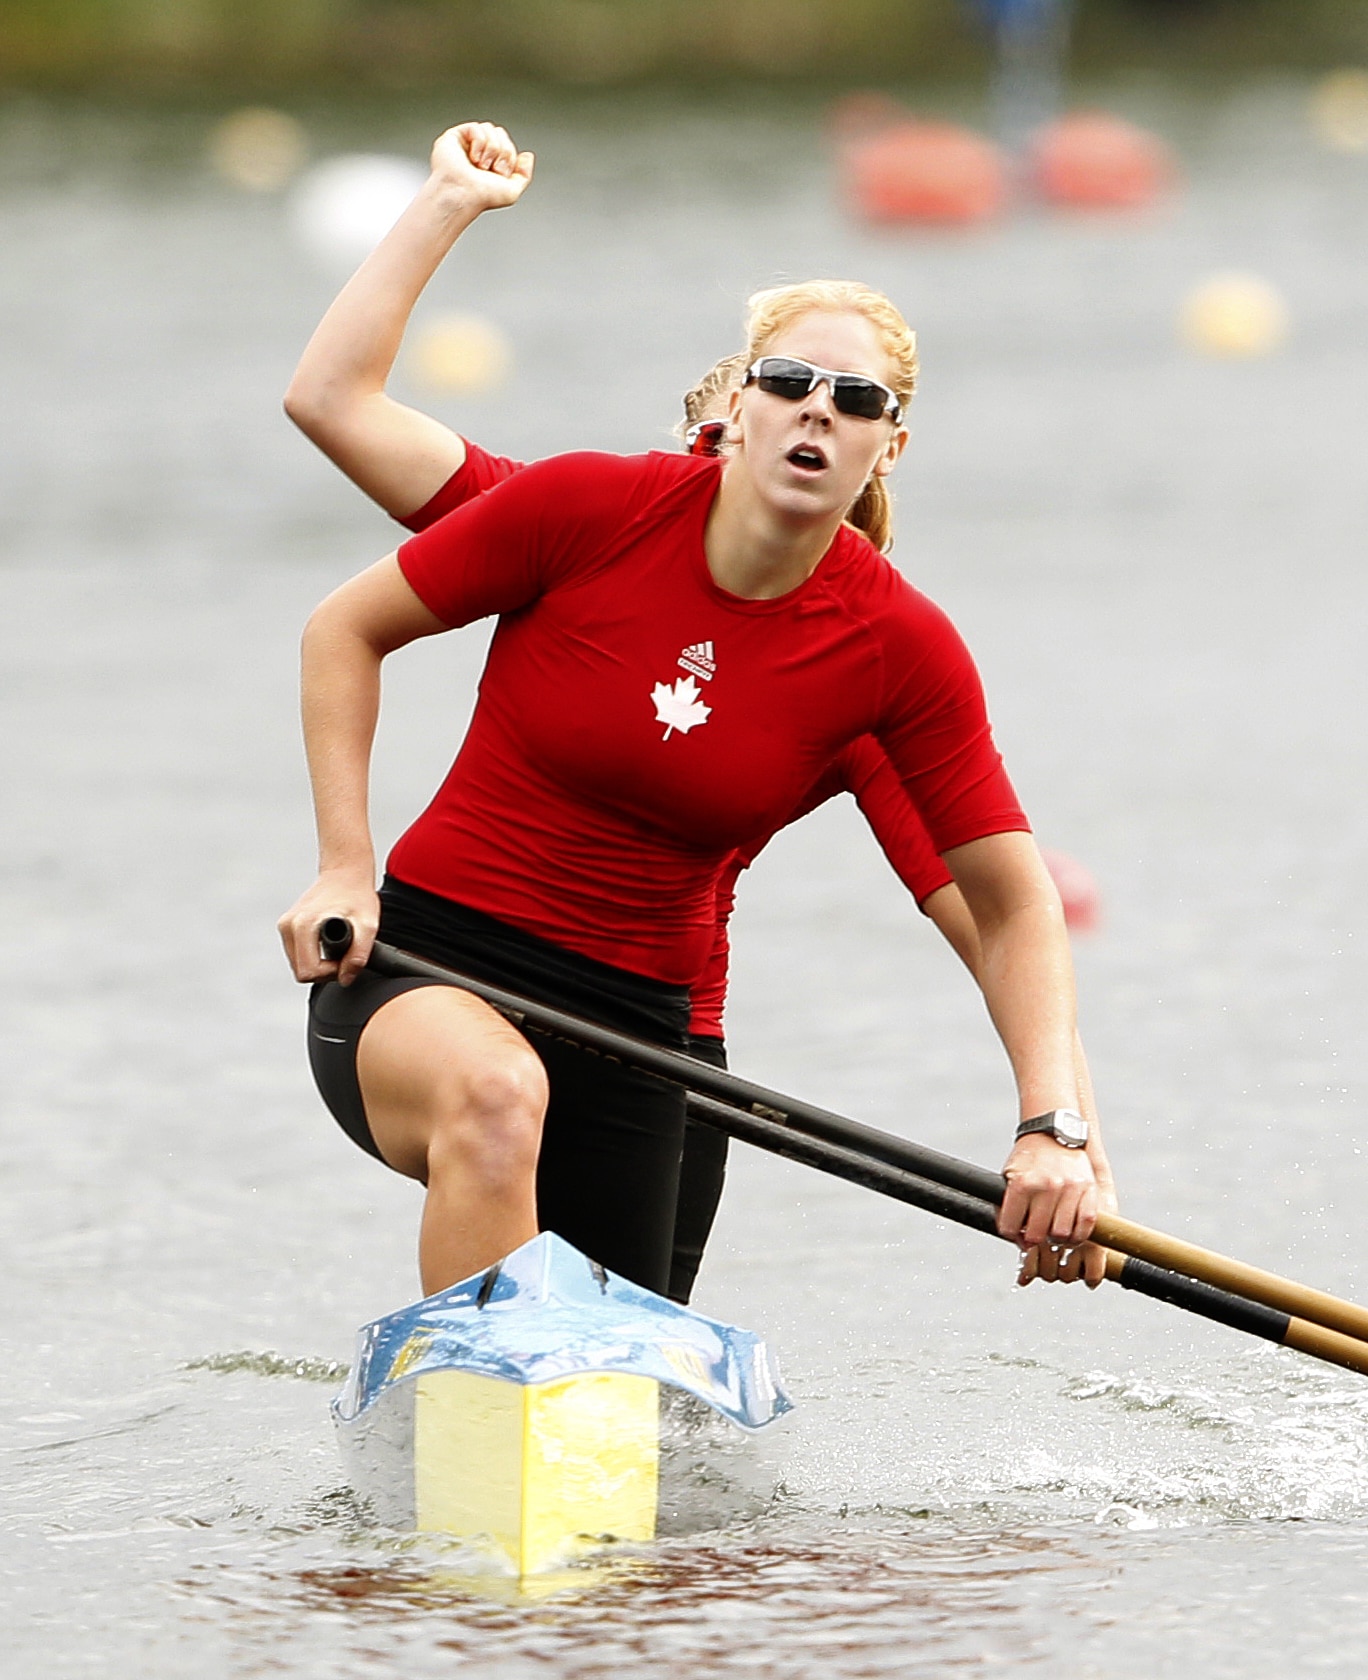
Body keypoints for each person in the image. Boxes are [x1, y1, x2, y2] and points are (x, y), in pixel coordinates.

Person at [278, 124, 1113, 1307]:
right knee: (497, 1097)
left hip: (652, 1031)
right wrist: (449, 203)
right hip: (430, 962)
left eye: (848, 402)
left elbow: (996, 913)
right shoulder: (566, 512)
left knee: (633, 1437)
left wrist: (1064, 1131)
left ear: (884, 447)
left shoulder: (878, 660)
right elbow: (328, 412)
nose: (794, 423)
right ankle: (469, 1418)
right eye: (773, 392)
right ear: (727, 424)